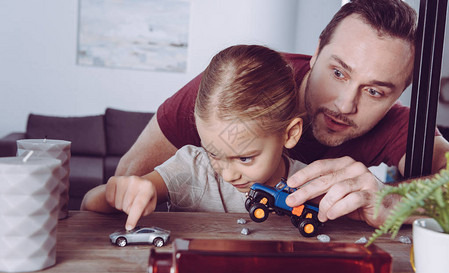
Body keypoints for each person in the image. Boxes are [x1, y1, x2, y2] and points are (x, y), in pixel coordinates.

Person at [112, 0, 449, 228]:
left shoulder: (400, 125)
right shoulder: (236, 89)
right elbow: (128, 182)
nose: (346, 104)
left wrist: (394, 201)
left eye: (375, 91)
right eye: (338, 72)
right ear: (317, 51)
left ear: (399, 94)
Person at [81, 45, 306, 230]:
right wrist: (121, 192)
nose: (227, 174)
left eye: (245, 158)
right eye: (214, 153)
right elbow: (89, 203)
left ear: (290, 133)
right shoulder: (193, 170)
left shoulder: (311, 185)